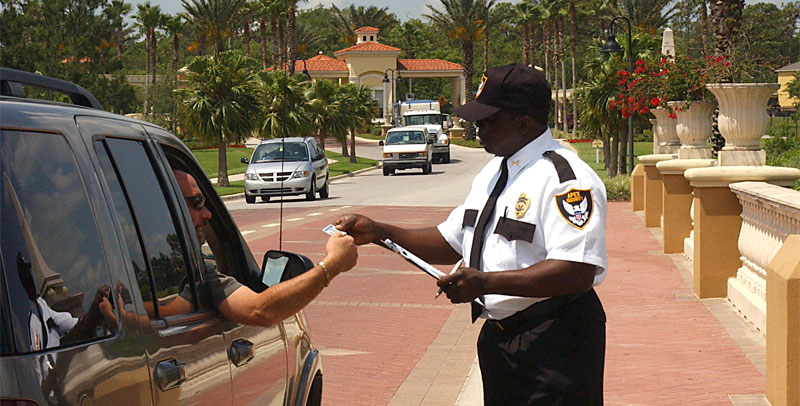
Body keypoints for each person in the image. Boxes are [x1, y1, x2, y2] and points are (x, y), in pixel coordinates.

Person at [334, 64, 607, 405]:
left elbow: (577, 271)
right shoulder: (494, 171)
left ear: (524, 121)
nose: (476, 128)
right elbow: (451, 241)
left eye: (487, 120)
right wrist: (378, 232)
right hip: (502, 340)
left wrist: (485, 283)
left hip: (555, 340)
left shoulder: (565, 179)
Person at [143, 170, 358, 327]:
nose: (207, 214)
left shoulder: (128, 261)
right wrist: (332, 265)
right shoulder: (195, 274)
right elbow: (260, 310)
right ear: (164, 210)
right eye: (197, 202)